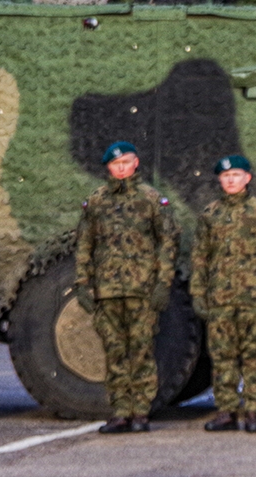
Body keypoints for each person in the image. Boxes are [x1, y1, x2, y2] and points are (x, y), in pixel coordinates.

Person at [74, 141, 177, 434]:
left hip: (141, 289)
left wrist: (162, 283)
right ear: (109, 167)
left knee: (142, 349)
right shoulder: (96, 202)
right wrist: (83, 283)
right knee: (114, 351)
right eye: (115, 164)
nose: (120, 168)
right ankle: (120, 411)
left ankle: (141, 411)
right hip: (107, 290)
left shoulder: (152, 200)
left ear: (136, 164)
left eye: (125, 163)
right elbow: (84, 244)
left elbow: (168, 243)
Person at [190, 154, 256, 433]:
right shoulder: (210, 215)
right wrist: (198, 294)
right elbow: (200, 259)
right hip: (219, 299)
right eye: (226, 176)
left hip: (253, 298)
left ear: (247, 178)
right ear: (220, 180)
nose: (231, 180)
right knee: (222, 357)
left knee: (253, 357)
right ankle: (226, 410)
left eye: (236, 175)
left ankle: (253, 410)